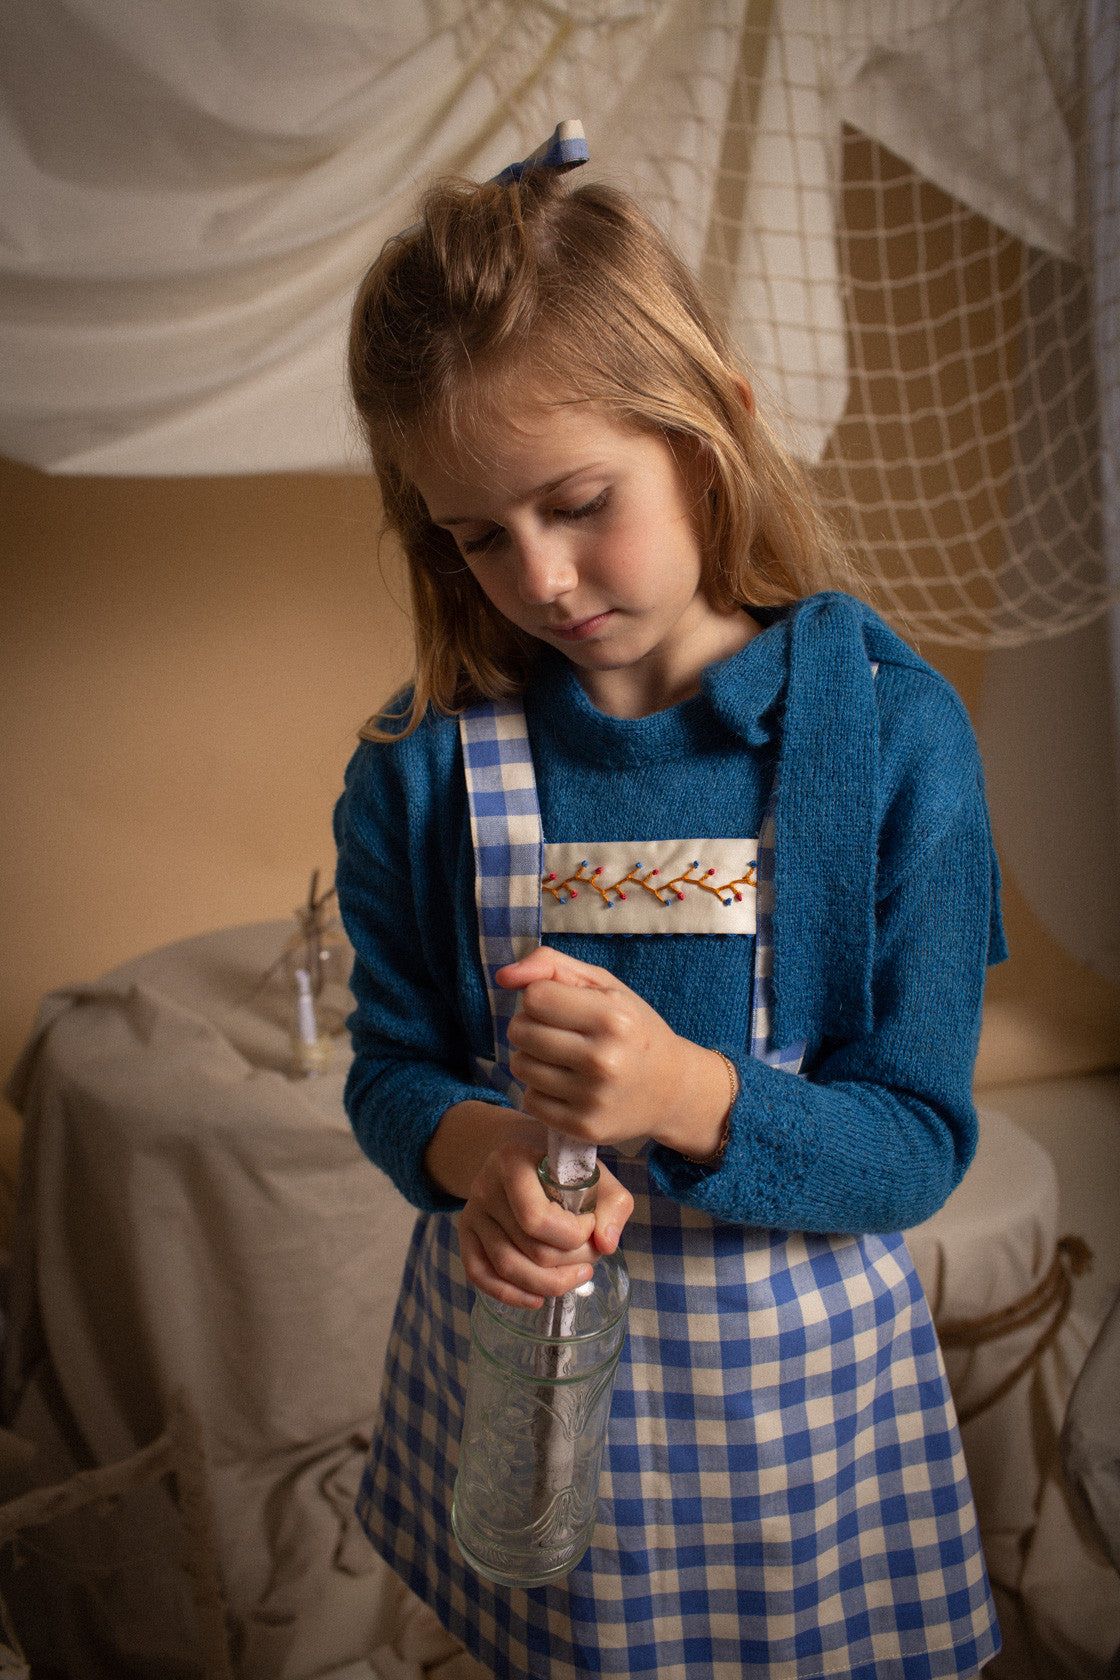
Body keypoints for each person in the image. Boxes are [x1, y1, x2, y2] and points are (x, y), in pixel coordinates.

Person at [334, 124, 1005, 1679]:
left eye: (578, 501)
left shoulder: (892, 740)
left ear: (710, 436)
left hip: (795, 1435)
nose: (542, 577)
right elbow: (391, 1070)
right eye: (475, 535)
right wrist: (478, 1142)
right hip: (530, 1406)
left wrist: (689, 1092)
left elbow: (913, 1144)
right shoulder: (421, 773)